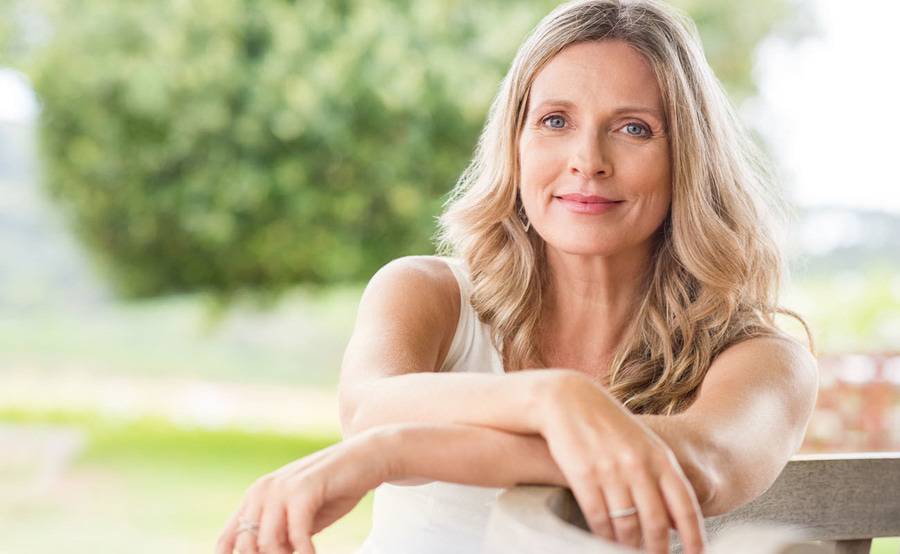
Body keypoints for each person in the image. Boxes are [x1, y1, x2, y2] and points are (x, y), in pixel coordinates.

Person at [214, 0, 819, 553]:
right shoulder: (426, 293)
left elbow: (700, 465)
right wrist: (552, 398)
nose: (588, 160)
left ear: (688, 157)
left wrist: (396, 451)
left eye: (633, 128)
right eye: (555, 120)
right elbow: (370, 408)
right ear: (516, 144)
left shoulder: (765, 360)